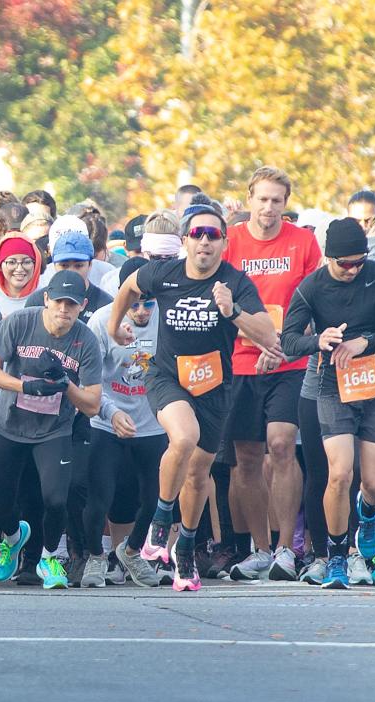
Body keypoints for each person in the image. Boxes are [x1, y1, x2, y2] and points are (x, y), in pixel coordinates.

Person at [107, 204, 282, 591]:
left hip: (215, 386)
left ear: (223, 243)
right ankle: (159, 523)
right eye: (198, 234)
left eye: (213, 235)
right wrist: (113, 323)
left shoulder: (235, 282)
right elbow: (129, 286)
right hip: (168, 376)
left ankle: (184, 549)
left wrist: (231, 310)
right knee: (182, 438)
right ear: (186, 240)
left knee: (198, 472)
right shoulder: (164, 273)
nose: (205, 241)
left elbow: (268, 335)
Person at [279, 218, 375, 588]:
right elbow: (289, 340)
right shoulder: (311, 287)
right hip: (332, 387)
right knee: (339, 474)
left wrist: (365, 342)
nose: (353, 270)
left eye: (358, 262)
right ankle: (337, 555)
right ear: (329, 258)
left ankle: (368, 512)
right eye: (345, 264)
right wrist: (318, 341)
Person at [220, 167, 322, 582]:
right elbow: (220, 304)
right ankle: (259, 549)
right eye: (262, 199)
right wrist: (258, 340)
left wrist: (278, 345)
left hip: (290, 361)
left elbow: (317, 304)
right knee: (246, 457)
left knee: (280, 445)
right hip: (240, 362)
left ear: (286, 203)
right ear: (249, 200)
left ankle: (286, 548)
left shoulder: (304, 242)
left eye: (277, 200)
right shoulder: (230, 243)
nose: (268, 207)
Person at [0, 271, 101, 588]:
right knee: (1, 503)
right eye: (59, 301)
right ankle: (12, 538)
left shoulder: (86, 341)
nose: (64, 309)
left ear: (82, 307)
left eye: (71, 304)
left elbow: (92, 405)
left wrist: (66, 385)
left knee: (56, 500)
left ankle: (49, 558)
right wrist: (26, 386)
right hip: (9, 426)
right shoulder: (20, 322)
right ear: (46, 299)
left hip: (54, 431)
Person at [81, 286, 166, 588]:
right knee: (99, 497)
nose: (142, 311)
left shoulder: (166, 319)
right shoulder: (103, 321)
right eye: (135, 304)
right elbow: (88, 379)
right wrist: (112, 413)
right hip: (108, 421)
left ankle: (131, 552)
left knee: (156, 498)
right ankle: (95, 558)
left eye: (149, 304)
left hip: (152, 421)